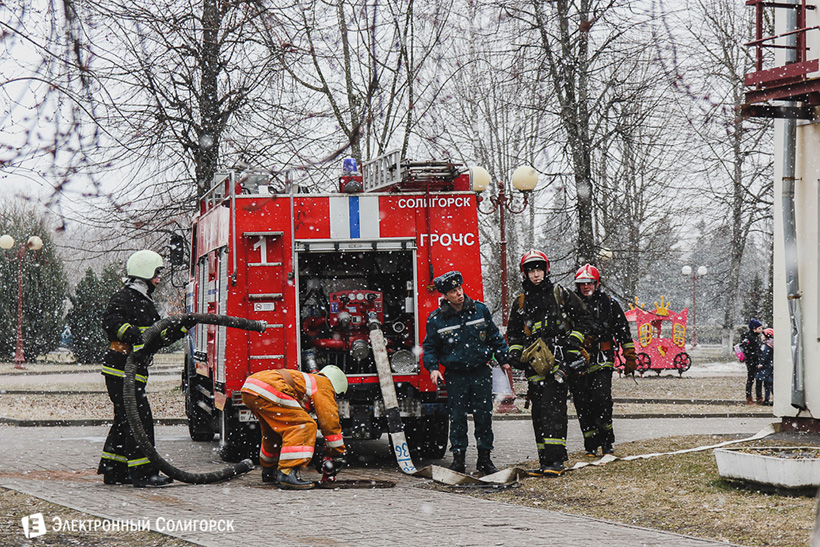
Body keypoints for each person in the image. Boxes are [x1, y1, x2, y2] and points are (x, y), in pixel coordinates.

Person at [98, 250, 189, 487]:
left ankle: (115, 470)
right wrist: (137, 333)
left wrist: (181, 328)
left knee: (125, 418)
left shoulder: (144, 302)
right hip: (121, 368)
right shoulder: (124, 298)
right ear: (145, 273)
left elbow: (157, 338)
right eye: (156, 274)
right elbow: (111, 324)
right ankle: (143, 473)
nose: (159, 280)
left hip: (134, 370)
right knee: (139, 419)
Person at [506, 251, 595, 477]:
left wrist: (573, 341)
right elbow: (514, 333)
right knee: (539, 413)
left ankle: (555, 462)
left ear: (546, 270)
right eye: (531, 270)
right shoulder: (521, 301)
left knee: (554, 411)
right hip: (534, 364)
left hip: (558, 362)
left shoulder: (560, 294)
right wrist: (515, 354)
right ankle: (545, 460)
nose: (536, 275)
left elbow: (585, 319)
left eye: (539, 269)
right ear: (525, 274)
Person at [421, 270, 509, 475]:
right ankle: (458, 459)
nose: (459, 294)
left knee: (483, 417)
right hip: (456, 375)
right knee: (458, 418)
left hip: (480, 372)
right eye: (453, 291)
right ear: (445, 295)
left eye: (459, 288)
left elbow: (495, 337)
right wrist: (433, 368)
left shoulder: (480, 310)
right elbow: (430, 347)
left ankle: (485, 459)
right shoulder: (437, 319)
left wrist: (504, 360)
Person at [240, 366, 348, 490]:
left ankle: (269, 470)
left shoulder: (310, 380)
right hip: (269, 387)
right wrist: (337, 452)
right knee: (304, 426)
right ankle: (287, 473)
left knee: (272, 433)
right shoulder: (325, 385)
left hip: (251, 387)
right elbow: (329, 422)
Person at [572, 264, 637, 457]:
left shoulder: (609, 303)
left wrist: (630, 356)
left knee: (601, 399)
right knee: (582, 403)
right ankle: (590, 443)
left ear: (597, 283)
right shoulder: (571, 304)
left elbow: (623, 331)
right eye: (582, 283)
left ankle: (607, 440)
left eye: (589, 282)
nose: (586, 287)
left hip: (603, 358)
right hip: (578, 360)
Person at [739, 319, 764, 404]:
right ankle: (752, 397)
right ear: (754, 328)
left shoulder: (754, 337)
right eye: (759, 328)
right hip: (752, 361)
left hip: (755, 360)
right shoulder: (750, 337)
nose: (761, 330)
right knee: (752, 378)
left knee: (755, 379)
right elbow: (749, 350)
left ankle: (757, 396)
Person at [757, 328, 774, 406]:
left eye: (762, 335)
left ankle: (767, 399)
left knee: (767, 384)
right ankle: (773, 398)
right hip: (770, 367)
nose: (761, 337)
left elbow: (764, 356)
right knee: (770, 384)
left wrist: (761, 364)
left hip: (766, 368)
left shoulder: (766, 346)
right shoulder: (772, 345)